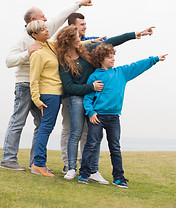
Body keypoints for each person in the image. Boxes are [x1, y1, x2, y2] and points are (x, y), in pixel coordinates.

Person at [0, 0, 95, 171]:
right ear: (32, 21)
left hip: (41, 87)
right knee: (18, 121)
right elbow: (8, 61)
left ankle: (36, 162)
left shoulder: (47, 36)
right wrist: (26, 53)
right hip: (25, 84)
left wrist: (79, 4)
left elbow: (60, 17)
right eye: (42, 17)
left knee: (42, 124)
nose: (46, 20)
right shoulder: (23, 39)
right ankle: (8, 159)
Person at [56, 25, 154, 181]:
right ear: (69, 40)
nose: (80, 39)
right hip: (76, 97)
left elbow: (112, 41)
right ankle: (71, 168)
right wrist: (91, 87)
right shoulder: (63, 61)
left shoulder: (86, 51)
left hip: (93, 96)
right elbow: (69, 87)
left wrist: (135, 34)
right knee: (75, 133)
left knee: (92, 136)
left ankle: (92, 171)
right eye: (77, 37)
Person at [78, 44, 167, 187]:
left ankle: (118, 178)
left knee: (115, 148)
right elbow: (88, 98)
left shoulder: (121, 73)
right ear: (101, 59)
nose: (113, 58)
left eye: (113, 55)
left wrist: (154, 59)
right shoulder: (94, 76)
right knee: (91, 145)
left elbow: (137, 66)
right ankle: (84, 174)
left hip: (114, 118)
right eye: (109, 56)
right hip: (97, 117)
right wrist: (91, 112)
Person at [60, 12, 107, 184]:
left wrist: (134, 35)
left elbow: (107, 41)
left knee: (88, 133)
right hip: (70, 97)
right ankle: (68, 166)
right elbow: (69, 86)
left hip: (88, 96)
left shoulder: (87, 46)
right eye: (81, 25)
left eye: (85, 24)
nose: (84, 27)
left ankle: (86, 168)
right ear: (72, 28)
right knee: (71, 131)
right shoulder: (64, 55)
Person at [26, 20, 63, 177]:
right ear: (34, 35)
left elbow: (66, 44)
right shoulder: (38, 54)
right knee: (45, 128)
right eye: (42, 30)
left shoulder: (51, 45)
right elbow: (33, 79)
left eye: (46, 28)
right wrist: (37, 100)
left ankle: (40, 163)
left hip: (57, 93)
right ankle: (38, 164)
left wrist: (91, 41)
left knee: (47, 128)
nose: (47, 30)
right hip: (49, 95)